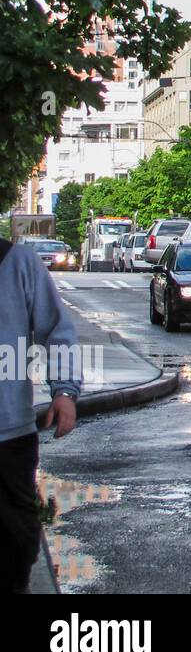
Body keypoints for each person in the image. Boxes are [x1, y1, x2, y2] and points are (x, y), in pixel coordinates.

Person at [0, 235, 81, 593]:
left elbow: (56, 330)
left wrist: (64, 392)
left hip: (8, 434)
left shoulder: (19, 263)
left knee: (14, 541)